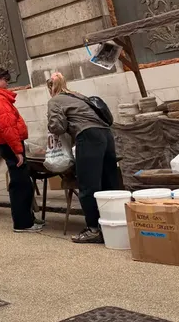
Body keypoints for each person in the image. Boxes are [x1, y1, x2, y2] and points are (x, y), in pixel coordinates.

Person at [47, 72, 119, 244]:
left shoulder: (54, 100)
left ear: (51, 88)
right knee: (109, 182)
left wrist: (50, 123)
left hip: (88, 136)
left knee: (88, 185)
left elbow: (57, 127)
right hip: (106, 135)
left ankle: (93, 229)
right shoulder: (78, 96)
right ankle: (115, 223)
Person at [0, 66, 42, 233]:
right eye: (5, 80)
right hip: (10, 144)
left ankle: (26, 219)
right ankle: (23, 223)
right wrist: (17, 150)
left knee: (20, 181)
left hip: (4, 144)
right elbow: (7, 127)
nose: (7, 83)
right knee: (21, 183)